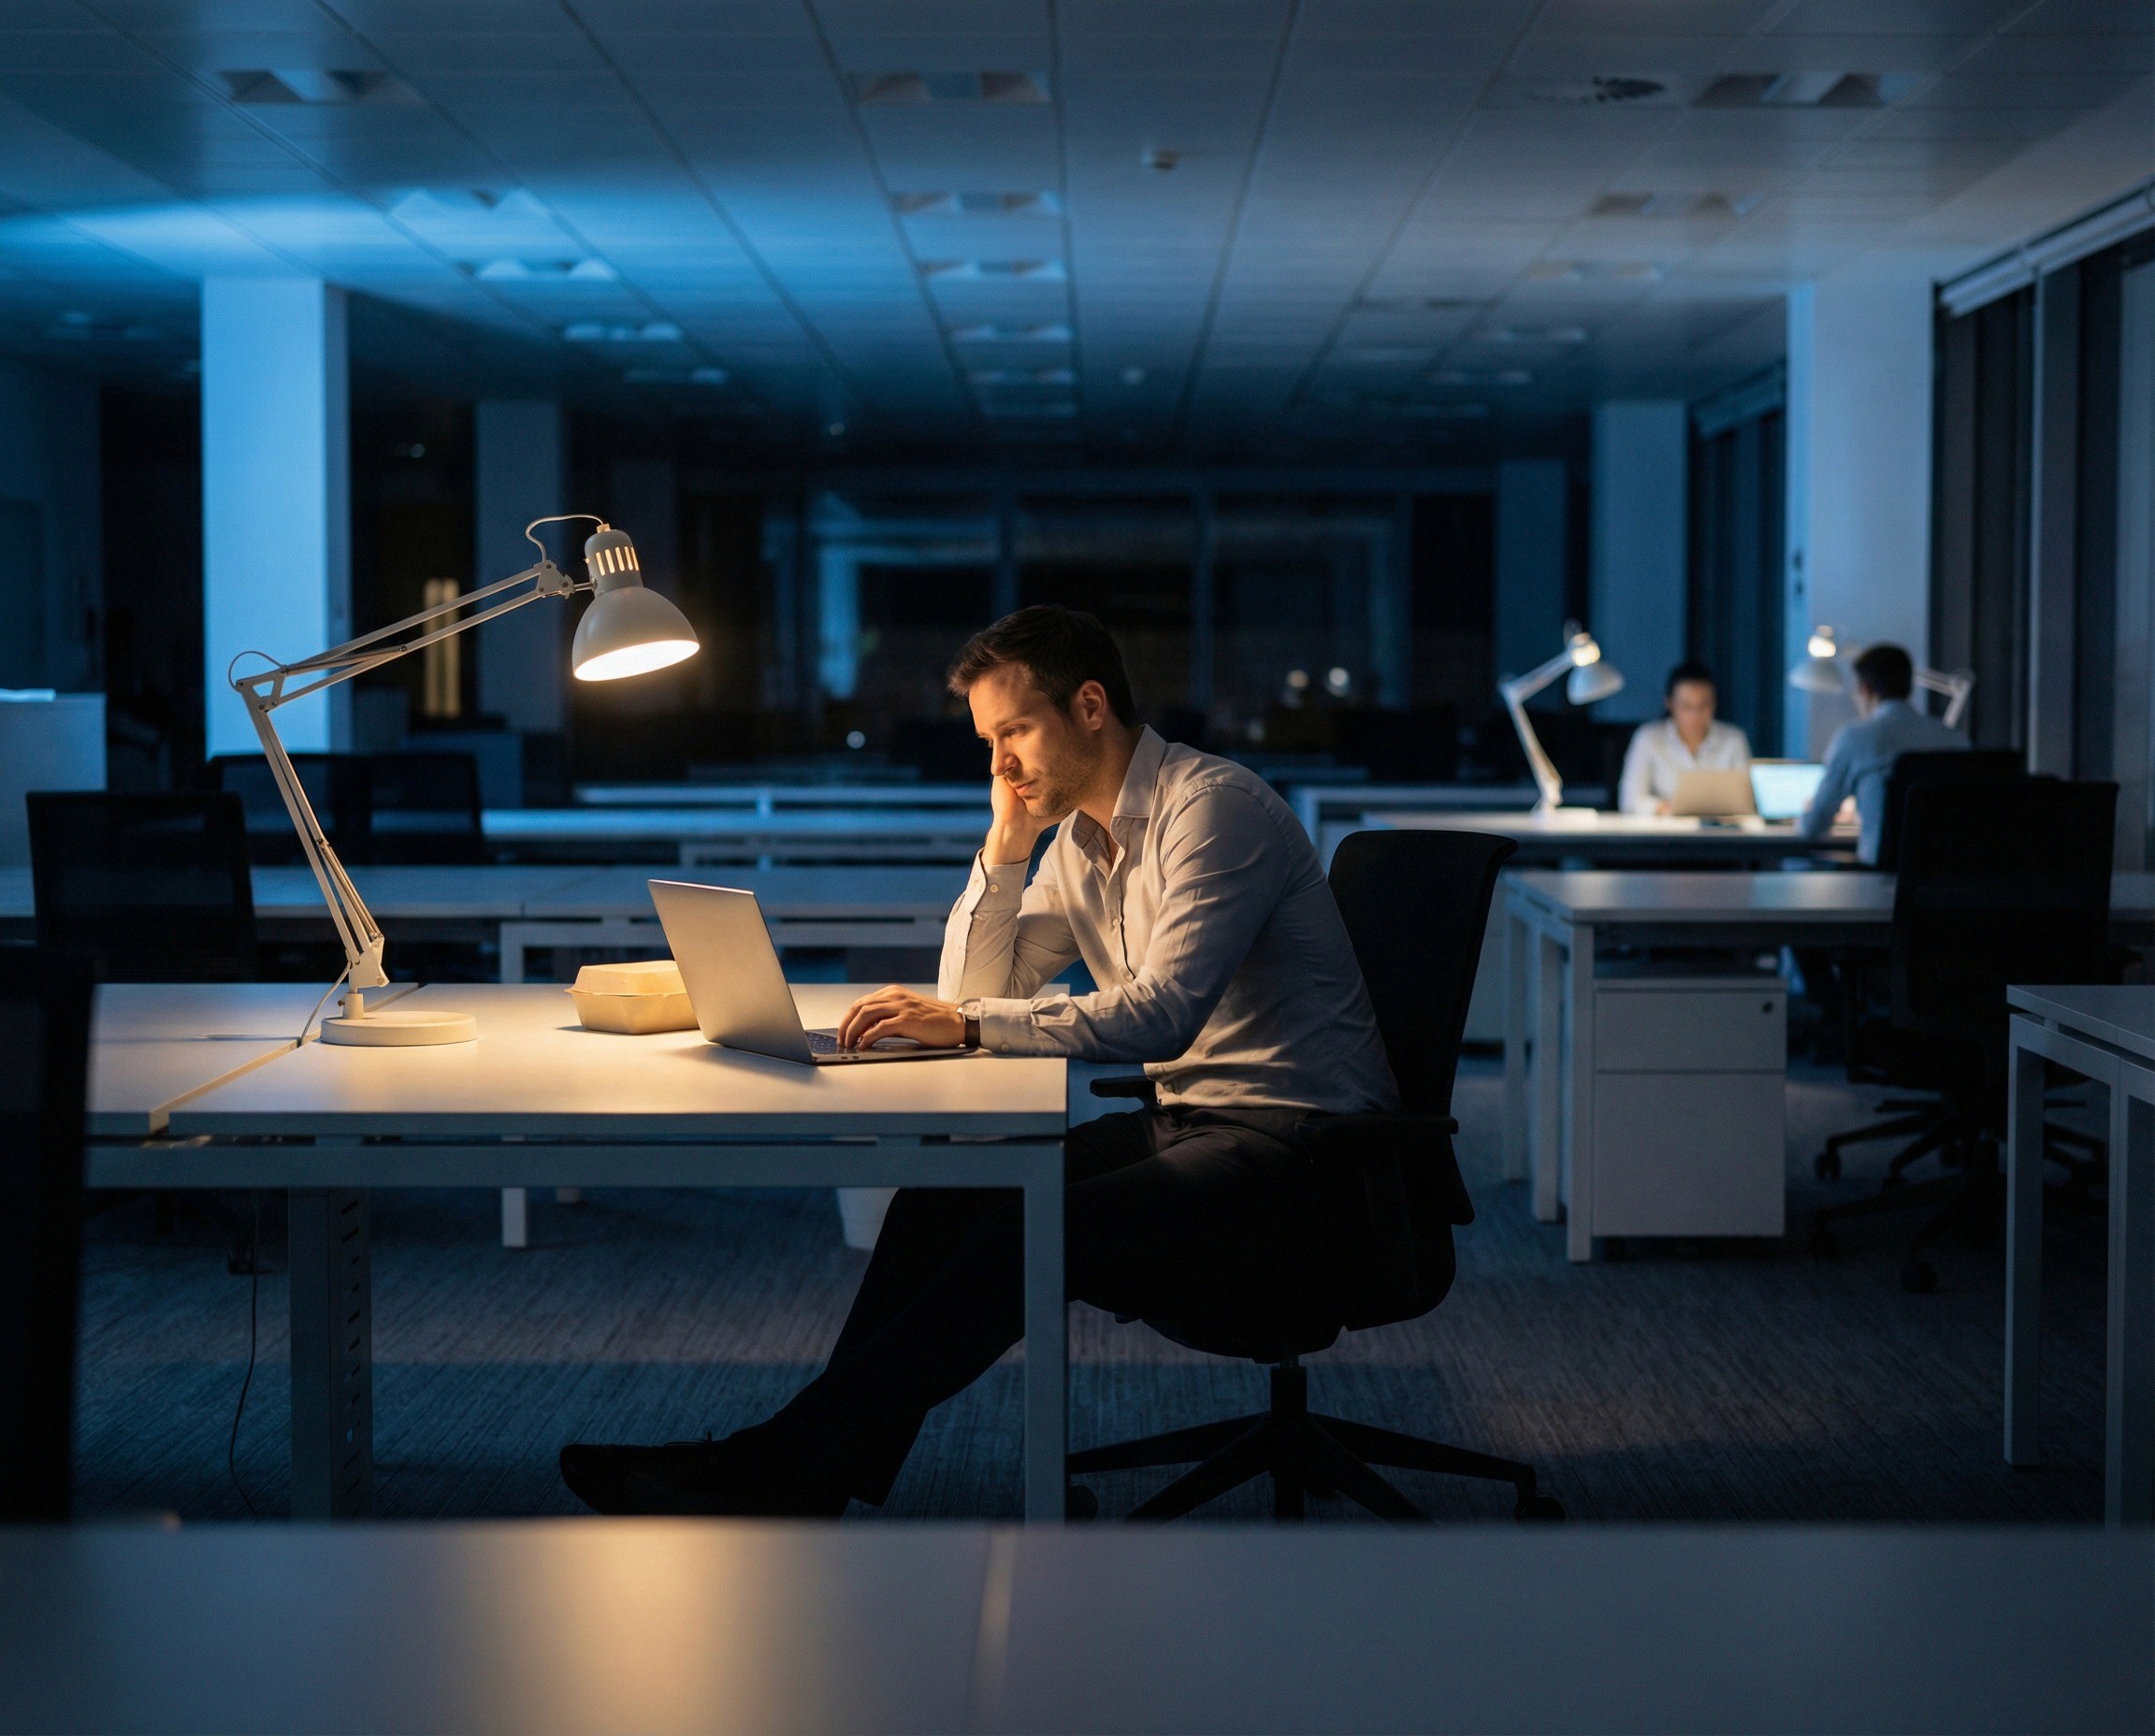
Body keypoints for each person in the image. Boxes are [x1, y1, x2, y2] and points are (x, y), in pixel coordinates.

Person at [559, 604, 1399, 1516]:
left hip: (1311, 1151)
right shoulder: (1079, 838)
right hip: (1195, 1121)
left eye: (1014, 731)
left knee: (1022, 1229)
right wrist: (1006, 844)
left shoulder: (1213, 811)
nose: (999, 760)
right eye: (987, 741)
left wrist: (967, 1026)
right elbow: (970, 984)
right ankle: (811, 1471)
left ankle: (778, 1466)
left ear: (1089, 706)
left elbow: (1160, 1013)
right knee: (947, 1194)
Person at [1799, 642, 1966, 864]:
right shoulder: (1952, 737)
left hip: (1878, 880)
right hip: (1949, 877)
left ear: (1865, 690)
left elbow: (1815, 824)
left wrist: (1801, 821)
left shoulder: (1855, 737)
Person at [1617, 660, 1752, 815]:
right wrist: (1666, 808)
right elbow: (1630, 800)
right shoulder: (1648, 738)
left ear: (1714, 704)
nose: (1695, 715)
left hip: (1719, 833)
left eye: (1703, 706)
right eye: (1687, 706)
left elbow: (1745, 801)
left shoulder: (1733, 740)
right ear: (1669, 703)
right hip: (1665, 833)